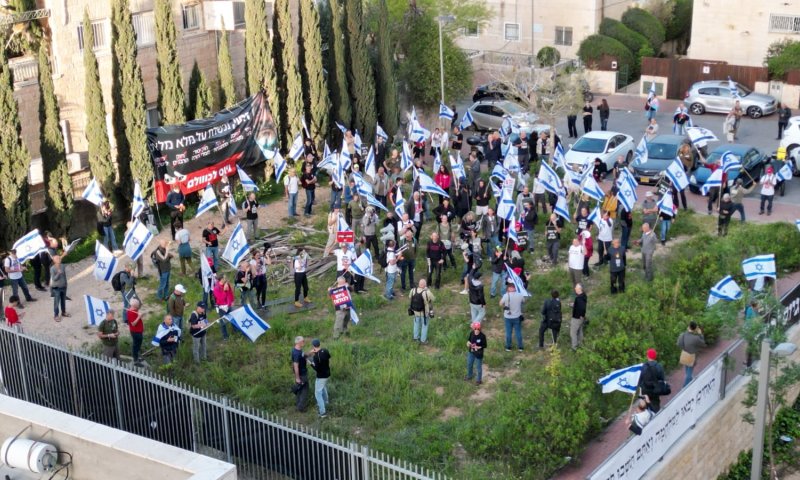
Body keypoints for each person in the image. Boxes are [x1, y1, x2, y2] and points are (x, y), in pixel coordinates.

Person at [307, 338, 331, 418]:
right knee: (323, 388)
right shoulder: (325, 350)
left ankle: (322, 412)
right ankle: (326, 401)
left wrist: (311, 363)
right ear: (319, 344)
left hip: (321, 376)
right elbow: (328, 357)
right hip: (327, 373)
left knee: (317, 393)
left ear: (313, 346)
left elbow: (316, 368)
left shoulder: (316, 357)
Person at [677, 322, 705, 387]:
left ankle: (689, 382)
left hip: (684, 354)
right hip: (692, 356)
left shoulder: (683, 334)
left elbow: (679, 344)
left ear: (688, 327)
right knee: (689, 374)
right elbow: (703, 344)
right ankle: (685, 387)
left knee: (687, 371)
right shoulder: (696, 338)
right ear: (695, 329)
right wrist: (700, 334)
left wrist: (684, 348)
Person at [638, 348, 666, 413]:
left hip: (645, 392)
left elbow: (640, 381)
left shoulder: (643, 367)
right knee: (656, 408)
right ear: (655, 356)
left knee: (645, 409)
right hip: (655, 391)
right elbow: (662, 380)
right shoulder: (659, 366)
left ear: (647, 356)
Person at [500, 283, 526, 351]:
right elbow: (523, 301)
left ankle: (508, 347)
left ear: (508, 288)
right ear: (515, 288)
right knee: (518, 332)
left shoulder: (506, 295)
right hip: (517, 316)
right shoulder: (520, 295)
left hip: (508, 317)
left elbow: (500, 303)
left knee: (508, 332)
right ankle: (520, 347)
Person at [409, 279, 435, 343]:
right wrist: (428, 290)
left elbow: (410, 297)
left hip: (415, 312)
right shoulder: (427, 292)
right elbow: (433, 298)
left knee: (416, 324)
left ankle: (416, 338)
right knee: (424, 326)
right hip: (424, 313)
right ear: (425, 285)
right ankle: (423, 340)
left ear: (419, 284)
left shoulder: (412, 290)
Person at [49, 254, 70, 322]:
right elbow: (54, 279)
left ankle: (63, 312)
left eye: (59, 258)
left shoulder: (62, 266)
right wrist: (58, 273)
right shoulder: (52, 268)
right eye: (57, 259)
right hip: (56, 288)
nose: (59, 259)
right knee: (57, 302)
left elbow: (64, 275)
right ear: (54, 260)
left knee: (63, 301)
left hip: (63, 286)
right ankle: (56, 315)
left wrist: (66, 283)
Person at [291, 336, 310, 411]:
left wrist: (309, 354)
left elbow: (303, 355)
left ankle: (298, 403)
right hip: (302, 374)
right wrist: (297, 378)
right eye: (303, 341)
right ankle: (301, 407)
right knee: (305, 390)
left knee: (299, 389)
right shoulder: (296, 353)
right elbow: (296, 365)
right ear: (298, 342)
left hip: (301, 373)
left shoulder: (297, 349)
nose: (304, 342)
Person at [126, 298, 144, 366]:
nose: (138, 307)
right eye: (137, 306)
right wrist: (139, 317)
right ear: (134, 306)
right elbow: (133, 323)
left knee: (138, 345)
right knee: (136, 346)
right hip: (135, 332)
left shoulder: (134, 310)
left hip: (139, 331)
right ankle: (136, 360)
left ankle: (137, 357)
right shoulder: (131, 313)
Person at [571, 284, 588, 350]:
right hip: (581, 318)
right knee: (580, 331)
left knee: (573, 333)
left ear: (579, 289)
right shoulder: (584, 295)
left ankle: (574, 347)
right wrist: (574, 305)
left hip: (576, 318)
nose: (575, 289)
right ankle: (581, 345)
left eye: (576, 288)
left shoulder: (578, 298)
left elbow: (582, 308)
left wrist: (581, 315)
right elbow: (581, 306)